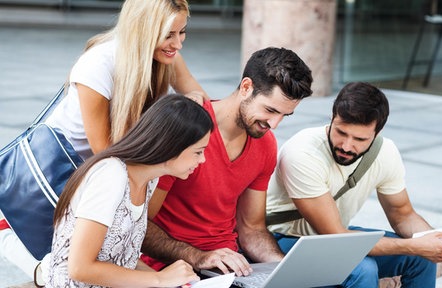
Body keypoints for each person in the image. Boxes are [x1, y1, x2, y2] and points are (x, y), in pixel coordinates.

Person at [0, 0, 207, 282]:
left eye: (182, 32)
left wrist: (193, 103)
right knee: (63, 256)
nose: (178, 43)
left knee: (95, 252)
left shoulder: (165, 56)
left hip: (118, 163)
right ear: (143, 30)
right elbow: (104, 151)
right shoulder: (98, 64)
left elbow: (196, 93)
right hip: (68, 166)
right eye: (169, 34)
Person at [265, 82, 442, 288]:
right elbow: (335, 235)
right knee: (364, 269)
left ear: (376, 133)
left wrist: (440, 239)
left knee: (422, 258)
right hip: (285, 240)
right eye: (341, 132)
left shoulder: (385, 152)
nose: (346, 146)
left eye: (359, 139)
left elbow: (403, 215)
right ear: (332, 117)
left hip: (334, 236)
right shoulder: (302, 152)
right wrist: (415, 245)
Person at [140, 47, 313, 276]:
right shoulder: (186, 130)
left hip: (229, 267)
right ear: (246, 87)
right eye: (270, 110)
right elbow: (140, 225)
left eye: (284, 115)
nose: (274, 124)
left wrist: (283, 270)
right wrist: (199, 257)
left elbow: (251, 228)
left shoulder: (266, 144)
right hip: (173, 266)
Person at [45, 94, 213, 287]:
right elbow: (79, 268)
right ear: (172, 146)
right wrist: (159, 279)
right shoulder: (111, 176)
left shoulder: (149, 180)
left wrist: (171, 282)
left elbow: (122, 259)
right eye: (198, 152)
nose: (202, 160)